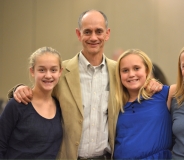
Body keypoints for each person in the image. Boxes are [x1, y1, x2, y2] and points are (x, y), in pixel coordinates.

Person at [7, 10, 162, 159]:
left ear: (107, 34)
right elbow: (40, 90)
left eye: (99, 31)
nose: (93, 37)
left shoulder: (118, 72)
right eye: (87, 32)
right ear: (78, 34)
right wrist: (19, 88)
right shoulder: (61, 71)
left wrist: (151, 84)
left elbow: (136, 86)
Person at [0, 47, 63, 158]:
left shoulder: (61, 106)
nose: (48, 75)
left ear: (60, 72)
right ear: (32, 71)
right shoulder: (17, 105)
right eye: (42, 70)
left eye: (53, 70)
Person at [113, 49, 172, 159]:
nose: (131, 74)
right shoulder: (116, 102)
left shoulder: (163, 93)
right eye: (125, 70)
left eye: (136, 68)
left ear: (147, 70)